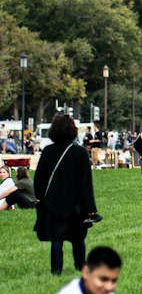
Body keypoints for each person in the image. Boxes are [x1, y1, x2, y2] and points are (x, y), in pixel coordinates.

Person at [32, 113, 100, 275]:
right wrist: (90, 208)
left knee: (56, 239)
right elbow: (86, 184)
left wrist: (42, 197)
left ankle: (56, 271)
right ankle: (80, 267)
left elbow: (39, 179)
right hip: (75, 205)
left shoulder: (47, 151)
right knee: (78, 239)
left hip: (53, 203)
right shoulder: (80, 153)